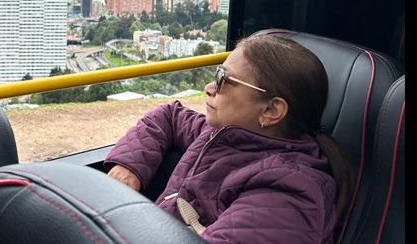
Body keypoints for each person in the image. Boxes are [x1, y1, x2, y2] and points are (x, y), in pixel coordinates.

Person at [105, 33, 351, 243]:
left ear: (271, 111)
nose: (210, 88)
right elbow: (169, 116)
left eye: (224, 79)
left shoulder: (288, 195)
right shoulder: (223, 135)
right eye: (217, 74)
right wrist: (130, 168)